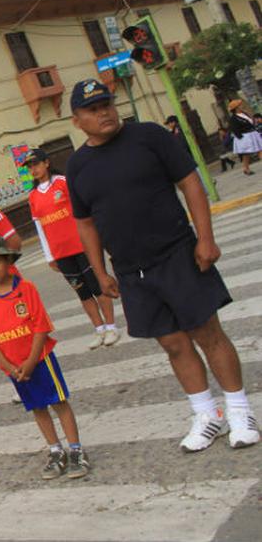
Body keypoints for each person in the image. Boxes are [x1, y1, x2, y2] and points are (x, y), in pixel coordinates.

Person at [67, 78, 259, 451]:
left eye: (106, 104)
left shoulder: (149, 137)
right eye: (92, 109)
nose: (104, 112)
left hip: (177, 253)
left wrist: (205, 238)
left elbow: (190, 183)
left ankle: (239, 409)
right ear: (77, 121)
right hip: (130, 270)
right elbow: (85, 223)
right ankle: (207, 415)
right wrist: (100, 271)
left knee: (208, 334)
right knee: (172, 344)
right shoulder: (76, 166)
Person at [0, 234, 90, 479]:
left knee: (59, 402)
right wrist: (10, 367)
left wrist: (31, 361)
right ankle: (55, 450)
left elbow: (41, 327)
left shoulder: (26, 288)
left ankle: (76, 449)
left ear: (7, 260)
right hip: (14, 369)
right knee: (37, 408)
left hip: (40, 360)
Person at [23, 148, 119, 349]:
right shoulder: (32, 196)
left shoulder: (63, 183)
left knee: (97, 286)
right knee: (82, 292)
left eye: (36, 164)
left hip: (81, 246)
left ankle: (112, 326)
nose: (34, 169)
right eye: (30, 167)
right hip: (61, 252)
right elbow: (40, 227)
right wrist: (50, 256)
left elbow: (84, 211)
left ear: (46, 163)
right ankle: (99, 329)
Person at [227, 98, 262, 175]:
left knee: (260, 149)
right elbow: (234, 129)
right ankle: (246, 168)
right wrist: (241, 138)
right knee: (246, 154)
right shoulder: (234, 118)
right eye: (240, 105)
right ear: (236, 108)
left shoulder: (244, 113)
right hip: (245, 136)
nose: (242, 106)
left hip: (252, 134)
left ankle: (246, 168)